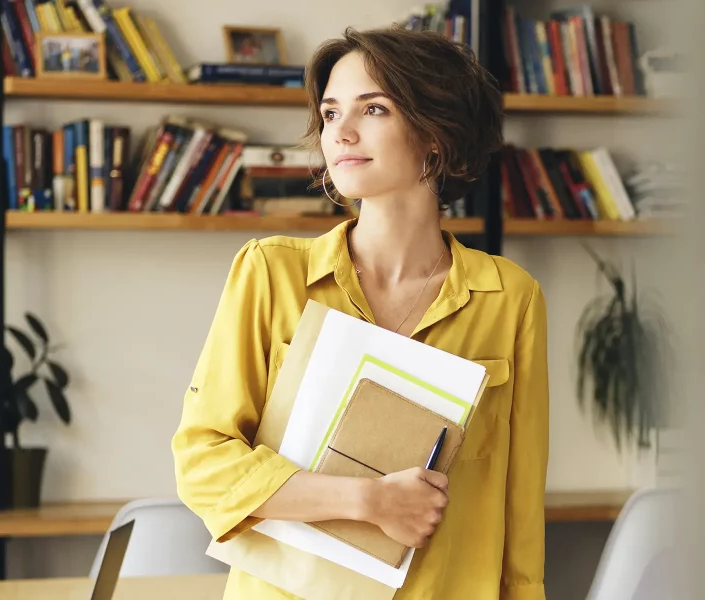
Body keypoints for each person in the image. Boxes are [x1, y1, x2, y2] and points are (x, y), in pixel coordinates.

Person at [171, 25, 549, 600]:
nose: (341, 133)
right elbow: (203, 464)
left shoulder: (509, 297)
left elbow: (520, 515)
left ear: (435, 133)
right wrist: (369, 501)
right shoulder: (271, 272)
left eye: (373, 109)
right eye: (330, 113)